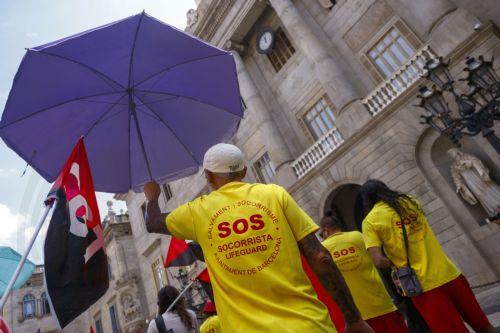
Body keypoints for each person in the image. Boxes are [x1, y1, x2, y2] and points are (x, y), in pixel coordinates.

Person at [144, 143, 373, 333]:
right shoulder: (274, 194)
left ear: (208, 176)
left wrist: (152, 196)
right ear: (244, 172)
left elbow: (153, 222)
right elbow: (320, 257)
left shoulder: (198, 212)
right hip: (308, 324)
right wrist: (353, 318)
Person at [360, 179, 494, 333]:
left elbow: (377, 260)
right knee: (484, 325)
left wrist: (395, 263)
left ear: (367, 199)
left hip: (424, 287)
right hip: (450, 273)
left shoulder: (370, 221)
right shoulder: (411, 202)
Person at [320, 211, 409, 333]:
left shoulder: (323, 249)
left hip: (355, 316)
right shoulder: (358, 236)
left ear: (326, 231)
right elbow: (377, 259)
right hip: (381, 304)